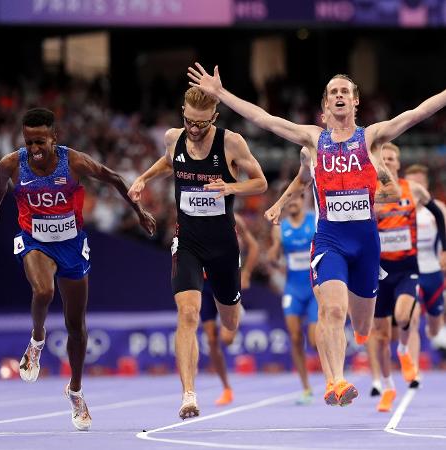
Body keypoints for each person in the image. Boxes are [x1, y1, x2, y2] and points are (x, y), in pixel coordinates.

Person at [188, 62, 446, 406]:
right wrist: (221, 94)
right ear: (325, 107)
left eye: (345, 92)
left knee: (363, 325)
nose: (339, 96)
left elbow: (416, 113)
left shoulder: (370, 138)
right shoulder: (313, 138)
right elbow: (265, 119)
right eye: (333, 92)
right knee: (333, 310)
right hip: (330, 240)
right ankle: (336, 380)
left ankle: (348, 353)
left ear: (355, 102)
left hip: (367, 243)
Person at [0, 108, 156, 431]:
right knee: (43, 290)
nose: (34, 148)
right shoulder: (11, 164)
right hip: (33, 239)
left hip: (71, 244)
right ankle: (36, 341)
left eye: (40, 141)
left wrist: (139, 211)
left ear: (54, 137)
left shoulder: (75, 162)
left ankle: (76, 390)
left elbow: (113, 178)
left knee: (77, 328)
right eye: (29, 142)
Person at [128, 87, 267, 419]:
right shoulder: (173, 137)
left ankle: (234, 306)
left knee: (229, 321)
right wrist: (143, 179)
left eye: (202, 124)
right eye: (189, 120)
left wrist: (230, 187)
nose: (194, 128)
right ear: (183, 113)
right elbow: (168, 162)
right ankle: (188, 394)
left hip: (223, 246)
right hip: (187, 241)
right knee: (188, 314)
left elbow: (260, 182)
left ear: (214, 118)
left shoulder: (231, 142)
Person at [373, 143, 446, 413]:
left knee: (404, 317)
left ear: (398, 163)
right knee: (380, 337)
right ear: (378, 164)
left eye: (392, 159)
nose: (389, 162)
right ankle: (388, 386)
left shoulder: (412, 190)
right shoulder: (373, 192)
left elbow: (438, 213)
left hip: (407, 267)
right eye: (384, 159)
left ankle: (404, 350)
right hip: (378, 270)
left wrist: (445, 247)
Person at [200, 213, 259, 406]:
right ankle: (226, 388)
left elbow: (254, 246)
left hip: (227, 280)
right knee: (211, 340)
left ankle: (236, 309)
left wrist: (247, 273)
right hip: (205, 285)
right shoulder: (194, 218)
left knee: (227, 338)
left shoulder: (234, 219)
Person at [267, 192, 317, 404]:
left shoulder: (314, 221)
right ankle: (306, 388)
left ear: (304, 201)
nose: (294, 202)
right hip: (293, 289)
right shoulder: (280, 228)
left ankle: (332, 380)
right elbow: (271, 259)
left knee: (315, 341)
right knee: (295, 337)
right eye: (290, 200)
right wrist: (276, 245)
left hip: (315, 289)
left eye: (298, 199)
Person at [404, 164, 446, 384]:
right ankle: (413, 371)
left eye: (420, 182)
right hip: (411, 272)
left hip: (434, 273)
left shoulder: (438, 208)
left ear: (426, 185)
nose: (416, 187)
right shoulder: (400, 206)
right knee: (412, 318)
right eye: (413, 183)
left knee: (434, 326)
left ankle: (434, 330)